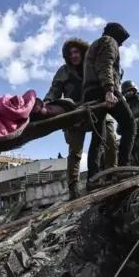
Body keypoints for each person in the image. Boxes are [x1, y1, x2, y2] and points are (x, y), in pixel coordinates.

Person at [44, 38, 118, 199]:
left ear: (83, 52)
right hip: (75, 113)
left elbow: (108, 75)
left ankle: (113, 174)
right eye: (70, 53)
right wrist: (47, 103)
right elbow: (54, 90)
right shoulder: (63, 71)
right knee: (75, 151)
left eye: (77, 52)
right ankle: (73, 187)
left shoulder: (92, 65)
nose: (74, 56)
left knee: (110, 139)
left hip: (97, 108)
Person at [82, 22, 136, 187]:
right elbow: (105, 65)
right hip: (102, 88)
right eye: (121, 41)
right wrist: (109, 90)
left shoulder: (95, 45)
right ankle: (123, 169)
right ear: (117, 36)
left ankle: (93, 178)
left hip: (90, 92)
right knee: (130, 124)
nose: (120, 45)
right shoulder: (109, 41)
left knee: (99, 137)